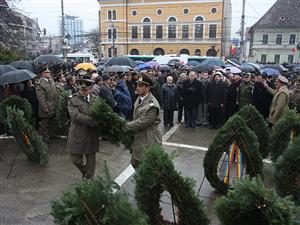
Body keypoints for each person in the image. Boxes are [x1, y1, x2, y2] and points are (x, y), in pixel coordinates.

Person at [124, 74, 162, 169]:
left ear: (148, 88)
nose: (137, 88)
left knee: (146, 166)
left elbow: (142, 122)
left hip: (149, 139)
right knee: (135, 162)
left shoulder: (152, 104)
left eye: (141, 86)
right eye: (137, 85)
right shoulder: (140, 98)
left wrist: (126, 125)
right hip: (139, 137)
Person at [66, 79, 99, 179]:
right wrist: (92, 120)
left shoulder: (96, 99)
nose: (83, 92)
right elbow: (75, 115)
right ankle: (86, 172)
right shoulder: (72, 99)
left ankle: (89, 179)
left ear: (91, 89)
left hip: (91, 133)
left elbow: (101, 113)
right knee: (75, 159)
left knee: (91, 160)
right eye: (81, 90)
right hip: (78, 132)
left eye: (86, 90)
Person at [35, 67, 57, 142]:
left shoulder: (51, 80)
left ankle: (52, 135)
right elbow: (41, 97)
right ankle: (44, 138)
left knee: (52, 122)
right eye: (47, 72)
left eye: (49, 72)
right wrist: (45, 108)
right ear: (42, 73)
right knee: (45, 123)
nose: (49, 73)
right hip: (46, 106)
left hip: (53, 104)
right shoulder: (40, 83)